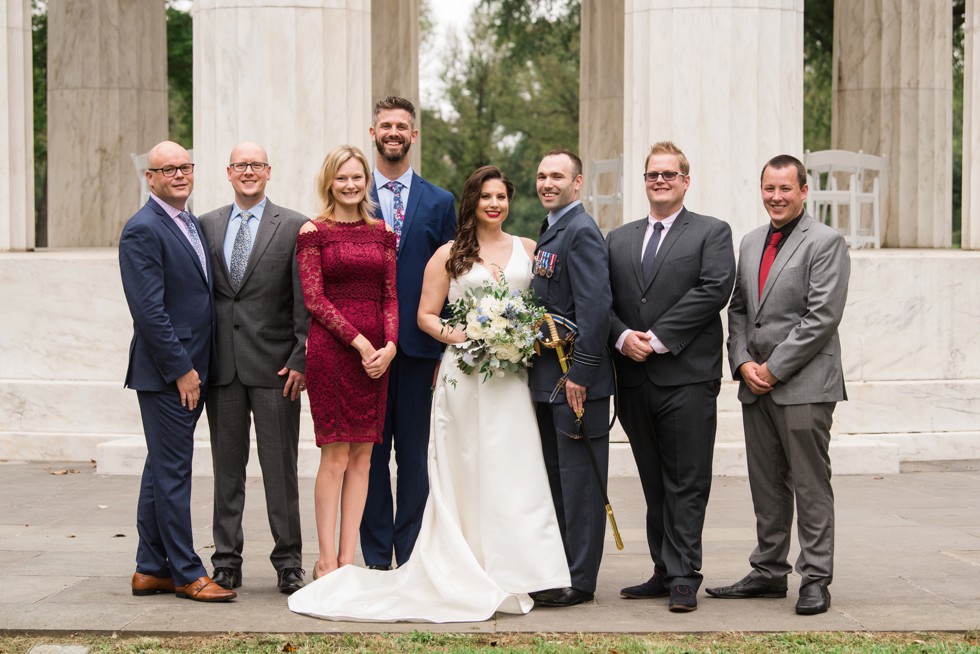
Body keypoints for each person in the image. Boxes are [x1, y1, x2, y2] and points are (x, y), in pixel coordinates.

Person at [288, 166, 570, 622]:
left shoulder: (530, 249)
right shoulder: (448, 254)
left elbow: (543, 310)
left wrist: (522, 335)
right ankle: (427, 559)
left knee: (515, 466)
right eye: (486, 196)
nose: (494, 204)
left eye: (501, 196)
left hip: (510, 378)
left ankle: (524, 566)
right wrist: (468, 335)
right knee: (457, 464)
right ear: (472, 202)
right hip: (464, 371)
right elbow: (425, 314)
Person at [705, 154, 850, 616]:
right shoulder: (749, 242)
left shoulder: (826, 242)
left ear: (803, 191)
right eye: (769, 188)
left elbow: (821, 316)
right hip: (755, 384)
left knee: (809, 484)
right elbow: (740, 310)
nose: (776, 197)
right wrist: (744, 361)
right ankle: (769, 572)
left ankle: (815, 579)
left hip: (804, 384)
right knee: (765, 483)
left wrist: (774, 368)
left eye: (786, 189)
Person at [606, 141, 735, 613]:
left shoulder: (711, 232)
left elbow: (713, 289)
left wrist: (656, 337)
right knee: (653, 481)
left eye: (668, 174)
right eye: (652, 175)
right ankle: (662, 570)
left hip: (686, 377)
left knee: (686, 480)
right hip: (634, 378)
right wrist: (622, 338)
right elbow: (606, 301)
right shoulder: (618, 239)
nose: (659, 181)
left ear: (685, 180)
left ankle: (685, 575)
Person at [119, 140, 236, 603]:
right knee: (173, 471)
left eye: (186, 166)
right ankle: (187, 572)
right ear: (150, 178)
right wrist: (182, 370)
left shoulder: (187, 221)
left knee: (160, 469)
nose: (180, 175)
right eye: (169, 170)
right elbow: (148, 311)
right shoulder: (142, 229)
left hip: (193, 368)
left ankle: (150, 569)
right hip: (169, 374)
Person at [198, 142, 310, 595]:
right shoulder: (205, 226)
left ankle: (288, 562)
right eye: (241, 165)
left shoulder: (296, 226)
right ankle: (225, 562)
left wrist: (300, 359)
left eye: (256, 165)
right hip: (222, 369)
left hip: (276, 369)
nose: (249, 171)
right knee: (226, 470)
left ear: (269, 172)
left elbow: (306, 301)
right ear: (228, 172)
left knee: (280, 470)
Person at [360, 96, 457, 571]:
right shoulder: (353, 196)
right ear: (373, 132)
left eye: (402, 126)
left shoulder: (439, 202)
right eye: (385, 125)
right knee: (372, 458)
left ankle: (414, 553)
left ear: (413, 135)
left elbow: (454, 276)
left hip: (420, 351)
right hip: (367, 350)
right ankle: (377, 557)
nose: (393, 132)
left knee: (415, 457)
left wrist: (444, 348)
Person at [296, 145, 398, 580]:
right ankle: (324, 561)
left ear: (366, 182)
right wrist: (360, 342)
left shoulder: (382, 233)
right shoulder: (312, 231)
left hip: (377, 357)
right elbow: (314, 299)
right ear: (330, 182)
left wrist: (390, 345)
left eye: (357, 177)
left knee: (364, 459)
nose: (351, 184)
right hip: (333, 353)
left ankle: (347, 559)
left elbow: (390, 295)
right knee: (334, 457)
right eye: (342, 178)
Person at [528, 149, 615, 608]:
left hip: (575, 383)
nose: (547, 183)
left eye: (557, 176)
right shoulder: (552, 228)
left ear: (577, 183)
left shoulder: (580, 231)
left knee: (581, 484)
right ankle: (561, 569)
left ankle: (579, 581)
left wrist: (582, 373)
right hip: (549, 380)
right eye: (542, 176)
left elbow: (596, 309)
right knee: (559, 481)